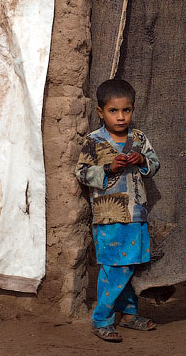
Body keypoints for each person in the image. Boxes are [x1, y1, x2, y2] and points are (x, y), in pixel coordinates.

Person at [75, 78, 161, 342]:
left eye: (126, 110)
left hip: (136, 215)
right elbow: (81, 172)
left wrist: (143, 160)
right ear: (101, 112)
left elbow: (155, 164)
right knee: (114, 268)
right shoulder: (94, 141)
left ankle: (128, 315)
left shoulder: (139, 139)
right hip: (109, 217)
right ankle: (102, 319)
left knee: (130, 266)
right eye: (114, 111)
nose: (121, 117)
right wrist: (109, 169)